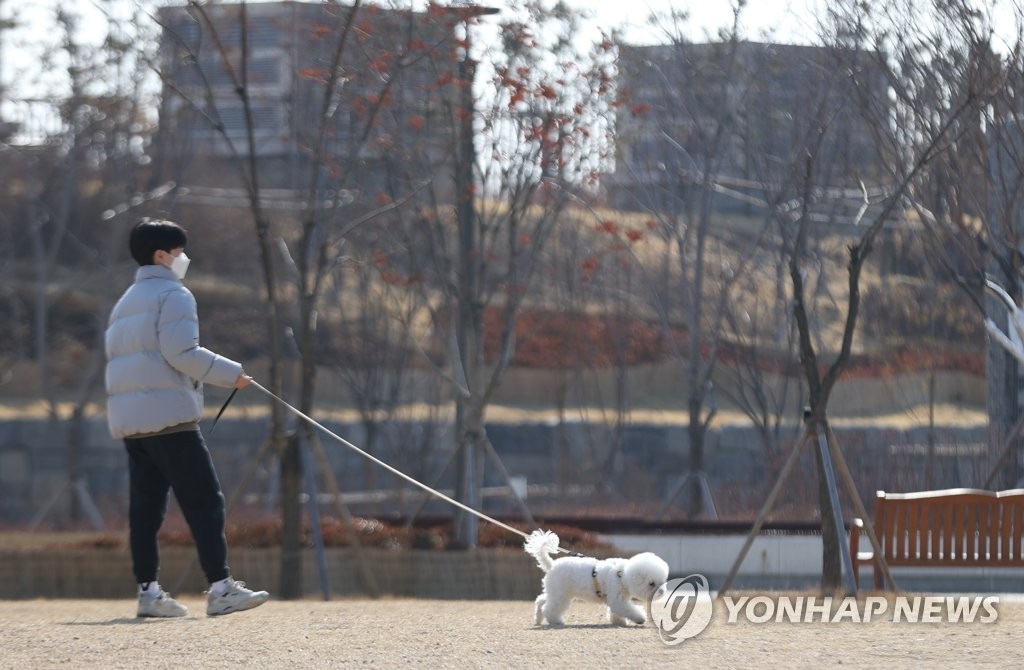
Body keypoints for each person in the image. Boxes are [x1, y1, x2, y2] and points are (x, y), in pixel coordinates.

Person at [105, 218, 269, 618]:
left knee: (145, 511)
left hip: (134, 425)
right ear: (162, 256)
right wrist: (232, 374)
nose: (183, 259)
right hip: (170, 421)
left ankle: (148, 592)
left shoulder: (124, 302)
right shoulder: (174, 295)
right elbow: (182, 353)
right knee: (205, 503)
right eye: (178, 252)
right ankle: (221, 587)